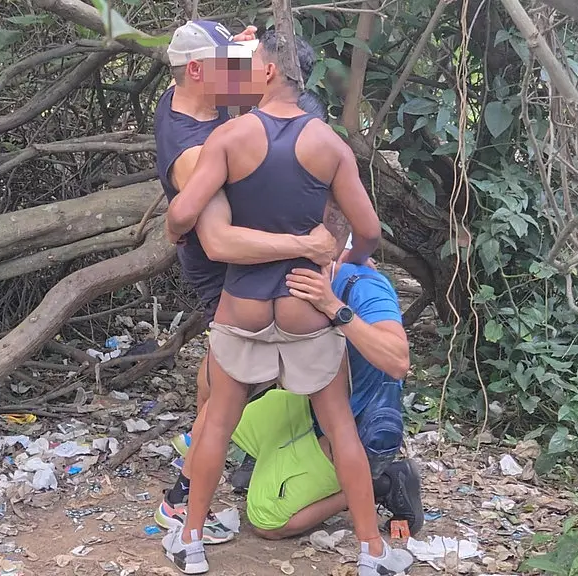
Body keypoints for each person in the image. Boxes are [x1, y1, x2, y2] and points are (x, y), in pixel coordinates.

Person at [163, 32, 412, 575]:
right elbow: (369, 230)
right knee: (340, 426)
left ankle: (190, 542)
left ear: (271, 71)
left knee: (218, 422)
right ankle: (372, 552)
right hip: (305, 303)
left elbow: (183, 213)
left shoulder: (230, 138)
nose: (244, 72)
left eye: (252, 62)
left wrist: (176, 228)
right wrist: (344, 262)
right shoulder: (329, 144)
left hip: (243, 304)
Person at [153, 20, 338, 548]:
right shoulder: (193, 153)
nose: (245, 74)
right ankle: (183, 499)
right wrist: (306, 244)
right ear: (197, 71)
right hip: (231, 268)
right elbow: (220, 242)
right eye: (231, 66)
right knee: (229, 386)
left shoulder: (192, 96)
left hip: (250, 262)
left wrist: (243, 47)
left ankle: (194, 470)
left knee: (217, 382)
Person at [164, 255, 423, 540]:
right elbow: (212, 382)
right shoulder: (279, 280)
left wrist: (334, 307)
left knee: (266, 519)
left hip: (355, 425)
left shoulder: (360, 285)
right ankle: (185, 496)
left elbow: (398, 362)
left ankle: (381, 484)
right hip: (306, 405)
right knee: (218, 415)